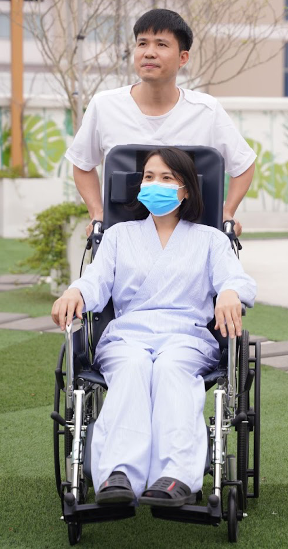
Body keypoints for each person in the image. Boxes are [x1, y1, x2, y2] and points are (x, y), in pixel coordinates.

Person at [51, 147, 257, 507]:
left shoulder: (210, 239)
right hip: (128, 337)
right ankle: (118, 473)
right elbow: (96, 280)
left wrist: (229, 292)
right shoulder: (118, 235)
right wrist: (75, 292)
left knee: (171, 369)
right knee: (131, 367)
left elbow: (237, 280)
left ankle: (176, 475)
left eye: (166, 178)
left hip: (186, 338)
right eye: (148, 177)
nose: (155, 184)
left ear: (186, 189)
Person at [65, 8, 256, 236]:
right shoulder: (104, 105)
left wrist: (226, 212)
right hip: (121, 239)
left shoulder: (206, 110)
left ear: (183, 58)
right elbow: (82, 163)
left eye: (161, 44)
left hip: (192, 239)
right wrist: (97, 213)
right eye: (142, 43)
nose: (149, 53)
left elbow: (244, 164)